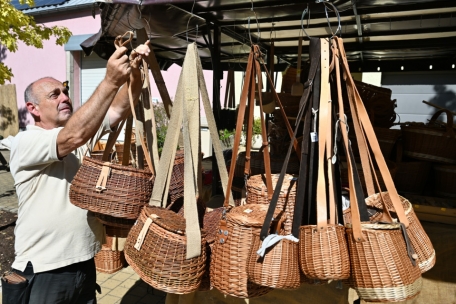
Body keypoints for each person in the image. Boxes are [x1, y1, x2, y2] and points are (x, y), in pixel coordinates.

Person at [7, 41, 151, 303]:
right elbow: (73, 135)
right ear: (33, 109)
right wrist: (109, 80)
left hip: (84, 262)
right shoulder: (26, 142)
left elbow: (118, 108)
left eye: (65, 91)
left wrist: (136, 70)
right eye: (54, 95)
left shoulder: (80, 134)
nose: (64, 97)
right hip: (45, 270)